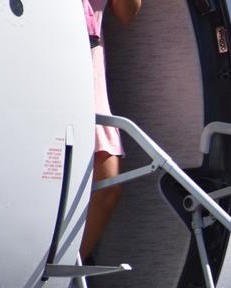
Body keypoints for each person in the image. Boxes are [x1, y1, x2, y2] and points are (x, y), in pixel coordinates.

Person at [80, 0, 142, 261]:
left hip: (89, 57)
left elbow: (128, 13)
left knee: (107, 183)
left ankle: (61, 275)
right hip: (44, 52)